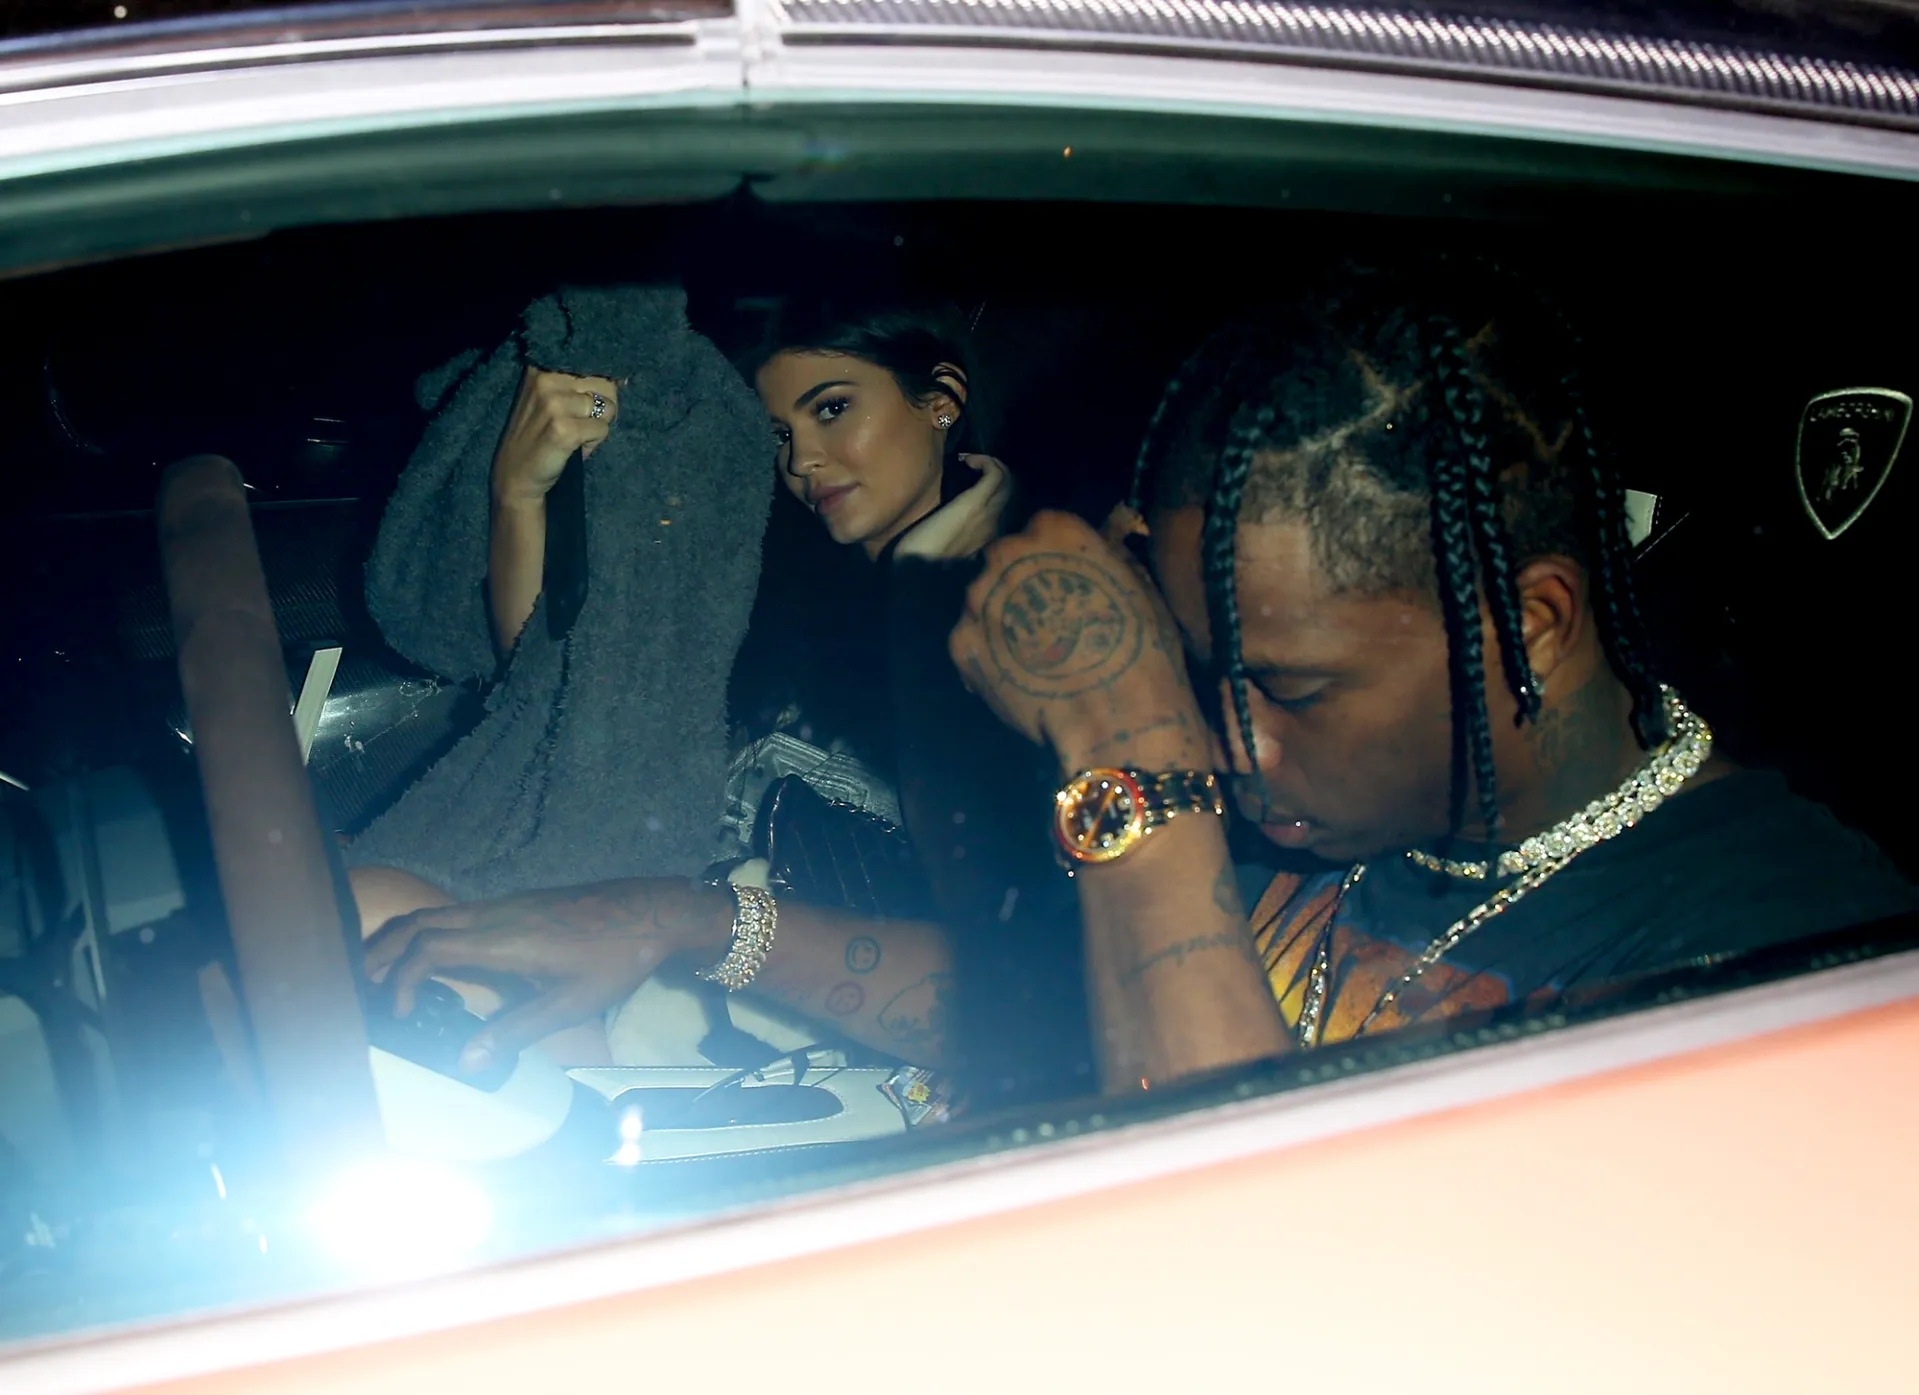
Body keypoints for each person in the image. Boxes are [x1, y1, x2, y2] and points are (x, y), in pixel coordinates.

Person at [947, 257, 1918, 1091]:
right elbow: (1009, 1013)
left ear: (1527, 627)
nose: (1233, 746)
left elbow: (1260, 1242)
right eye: (1204, 674)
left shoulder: (1797, 952)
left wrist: (1131, 757)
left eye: (1294, 689)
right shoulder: (1303, 824)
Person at [355, 293, 1032, 1080]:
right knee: (355, 916)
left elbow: (1004, 908)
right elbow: (557, 689)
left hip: (820, 1017)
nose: (802, 460)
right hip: (629, 937)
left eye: (832, 409)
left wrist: (924, 593)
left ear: (941, 399)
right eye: (777, 434)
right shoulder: (765, 577)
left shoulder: (1038, 608)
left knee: (383, 937)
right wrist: (518, 494)